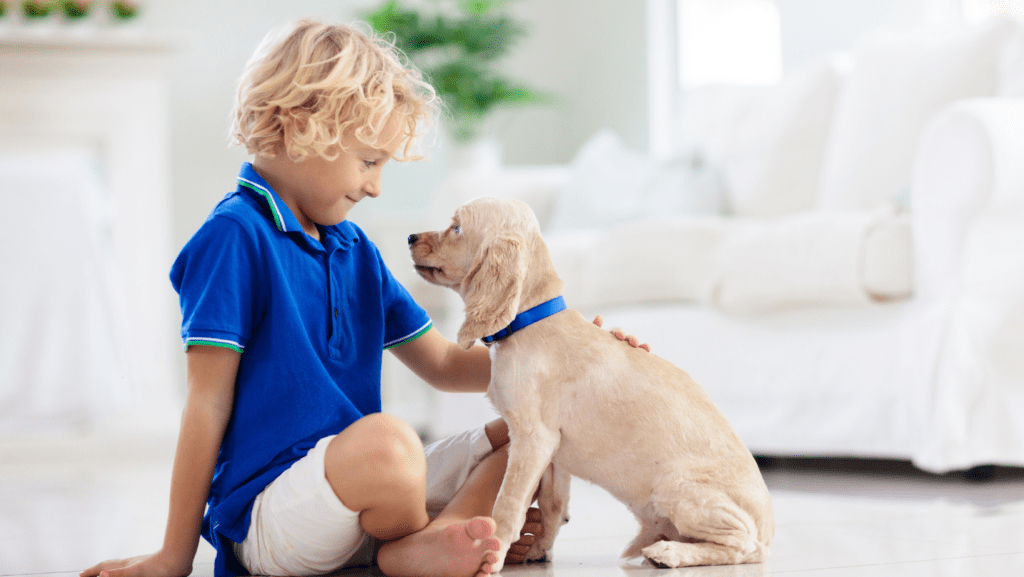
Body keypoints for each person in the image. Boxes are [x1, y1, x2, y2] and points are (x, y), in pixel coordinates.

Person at [81, 18, 647, 577]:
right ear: (304, 127)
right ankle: (416, 543)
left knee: (520, 438)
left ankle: (424, 543)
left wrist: (571, 357)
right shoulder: (234, 238)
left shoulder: (354, 250)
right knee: (390, 442)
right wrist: (173, 558)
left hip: (366, 492)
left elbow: (447, 365)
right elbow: (206, 404)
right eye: (370, 161)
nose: (375, 186)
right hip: (273, 517)